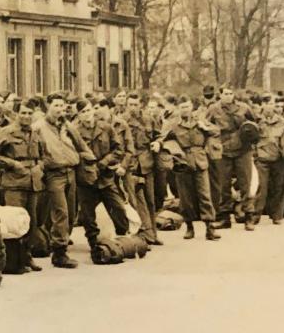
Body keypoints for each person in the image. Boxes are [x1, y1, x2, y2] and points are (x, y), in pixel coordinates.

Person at [0, 100, 43, 273]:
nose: (26, 117)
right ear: (16, 114)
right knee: (14, 222)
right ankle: (14, 261)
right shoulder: (7, 132)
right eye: (23, 113)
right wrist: (12, 163)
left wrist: (39, 167)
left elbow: (42, 155)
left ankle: (27, 256)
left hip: (32, 182)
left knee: (31, 222)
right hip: (14, 183)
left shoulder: (35, 132)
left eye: (29, 113)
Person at [33, 93, 85, 269]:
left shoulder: (67, 125)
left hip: (71, 171)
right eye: (56, 105)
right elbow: (33, 149)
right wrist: (43, 163)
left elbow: (81, 145)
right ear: (48, 106)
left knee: (70, 212)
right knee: (60, 212)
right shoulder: (39, 127)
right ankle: (59, 252)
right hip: (54, 174)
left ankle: (59, 245)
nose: (60, 109)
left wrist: (89, 162)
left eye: (62, 106)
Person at [74, 99, 130, 249]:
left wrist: (104, 162)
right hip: (86, 179)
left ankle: (122, 237)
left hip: (105, 177)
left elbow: (118, 149)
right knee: (87, 214)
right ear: (78, 115)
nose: (87, 114)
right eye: (82, 112)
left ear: (93, 110)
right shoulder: (74, 132)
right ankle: (93, 242)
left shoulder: (106, 128)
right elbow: (72, 154)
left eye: (88, 110)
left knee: (118, 207)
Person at [164, 97, 220, 241]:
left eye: (187, 107)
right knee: (185, 198)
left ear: (192, 107)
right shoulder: (173, 125)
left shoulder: (200, 121)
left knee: (205, 195)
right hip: (182, 162)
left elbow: (216, 131)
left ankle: (210, 227)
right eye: (182, 107)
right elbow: (163, 138)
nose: (185, 110)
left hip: (200, 161)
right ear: (178, 109)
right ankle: (189, 227)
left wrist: (205, 128)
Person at [208, 86, 256, 228]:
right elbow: (205, 124)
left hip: (243, 149)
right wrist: (214, 139)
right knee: (224, 185)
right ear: (220, 95)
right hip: (223, 151)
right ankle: (224, 217)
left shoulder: (244, 108)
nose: (228, 96)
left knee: (245, 184)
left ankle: (249, 217)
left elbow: (254, 124)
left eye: (231, 93)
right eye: (225, 94)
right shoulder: (213, 109)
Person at [249, 97, 284, 227]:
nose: (271, 106)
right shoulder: (256, 122)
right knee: (261, 188)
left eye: (272, 104)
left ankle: (277, 216)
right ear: (263, 105)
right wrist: (255, 154)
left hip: (279, 159)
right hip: (262, 159)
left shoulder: (282, 122)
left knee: (279, 187)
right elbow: (249, 138)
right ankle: (255, 215)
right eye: (268, 103)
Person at [123, 93, 162, 245]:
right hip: (131, 165)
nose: (133, 107)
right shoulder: (122, 121)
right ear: (126, 105)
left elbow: (159, 136)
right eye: (130, 104)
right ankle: (140, 235)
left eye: (136, 104)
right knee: (134, 202)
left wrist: (158, 143)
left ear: (141, 105)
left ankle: (153, 233)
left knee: (150, 200)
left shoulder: (148, 119)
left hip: (147, 163)